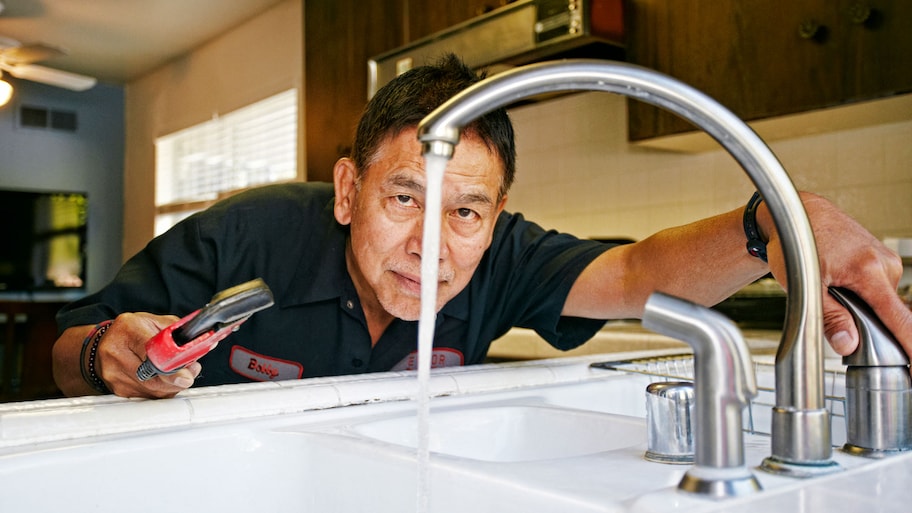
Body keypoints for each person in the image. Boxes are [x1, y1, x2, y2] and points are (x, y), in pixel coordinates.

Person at [52, 55, 912, 399]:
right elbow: (54, 349)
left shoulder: (502, 256)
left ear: (495, 216)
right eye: (404, 198)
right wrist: (105, 354)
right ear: (348, 190)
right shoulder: (245, 234)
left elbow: (635, 269)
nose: (434, 242)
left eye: (466, 210)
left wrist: (772, 227)